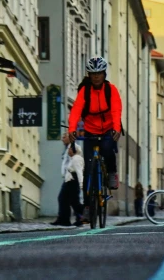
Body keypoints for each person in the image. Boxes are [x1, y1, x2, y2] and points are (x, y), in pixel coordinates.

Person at [69, 57, 122, 195]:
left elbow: (116, 110)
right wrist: (72, 129)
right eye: (93, 74)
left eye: (99, 73)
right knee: (88, 169)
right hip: (90, 130)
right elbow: (76, 111)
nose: (96, 77)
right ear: (89, 75)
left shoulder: (111, 90)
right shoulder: (85, 91)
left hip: (108, 129)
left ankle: (111, 173)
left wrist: (116, 128)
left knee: (107, 149)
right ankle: (87, 206)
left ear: (104, 74)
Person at [52, 135, 84, 227]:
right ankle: (74, 218)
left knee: (62, 198)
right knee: (72, 200)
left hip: (72, 177)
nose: (62, 138)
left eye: (65, 136)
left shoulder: (73, 147)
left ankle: (65, 219)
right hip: (70, 177)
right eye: (62, 136)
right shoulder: (68, 148)